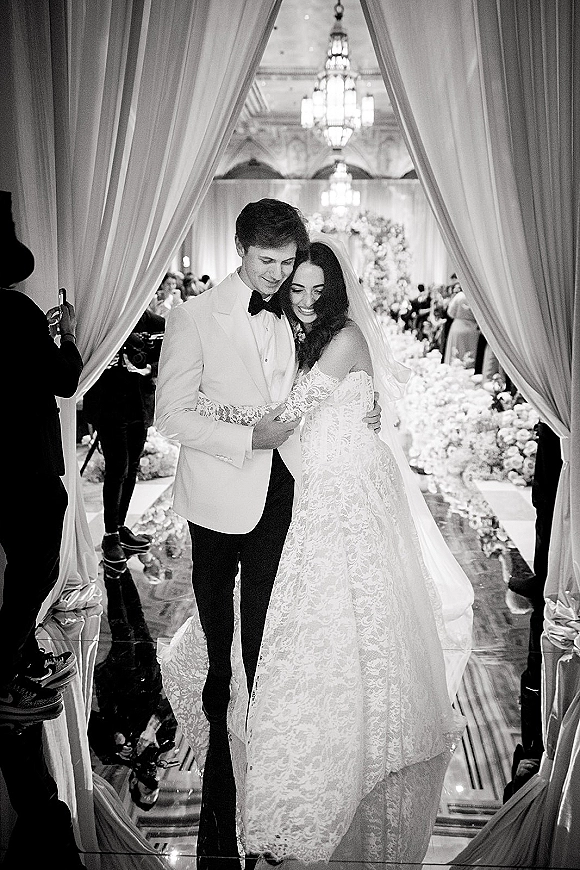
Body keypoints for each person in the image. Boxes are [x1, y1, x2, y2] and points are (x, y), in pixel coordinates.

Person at [160, 234, 474, 864]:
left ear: (334, 290)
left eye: (313, 288)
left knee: (348, 596)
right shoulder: (291, 332)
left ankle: (354, 722)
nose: (301, 298)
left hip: (345, 483)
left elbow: (290, 413)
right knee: (306, 596)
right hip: (309, 477)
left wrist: (219, 409)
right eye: (293, 286)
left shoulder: (344, 338)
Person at [155, 198, 385, 728]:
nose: (279, 276)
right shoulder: (193, 317)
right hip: (216, 482)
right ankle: (218, 668)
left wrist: (361, 408)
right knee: (214, 594)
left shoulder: (296, 305)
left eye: (287, 263)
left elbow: (331, 367)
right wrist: (246, 437)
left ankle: (260, 694)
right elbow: (171, 417)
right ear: (241, 250)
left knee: (264, 598)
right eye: (267, 262)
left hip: (285, 482)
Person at [0, 191, 82, 723]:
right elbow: (65, 379)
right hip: (27, 463)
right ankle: (7, 677)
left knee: (19, 572)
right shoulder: (17, 311)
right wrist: (67, 333)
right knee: (34, 571)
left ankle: (21, 660)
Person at [83, 308, 165, 575]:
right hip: (109, 404)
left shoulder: (155, 323)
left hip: (140, 404)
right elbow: (92, 361)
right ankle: (109, 535)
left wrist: (146, 368)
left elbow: (164, 360)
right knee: (117, 469)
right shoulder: (107, 317)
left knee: (131, 469)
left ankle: (119, 528)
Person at [443, 283, 481, 367]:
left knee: (455, 352)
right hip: (473, 327)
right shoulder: (476, 296)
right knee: (470, 352)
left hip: (458, 326)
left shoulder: (459, 296)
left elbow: (450, 312)